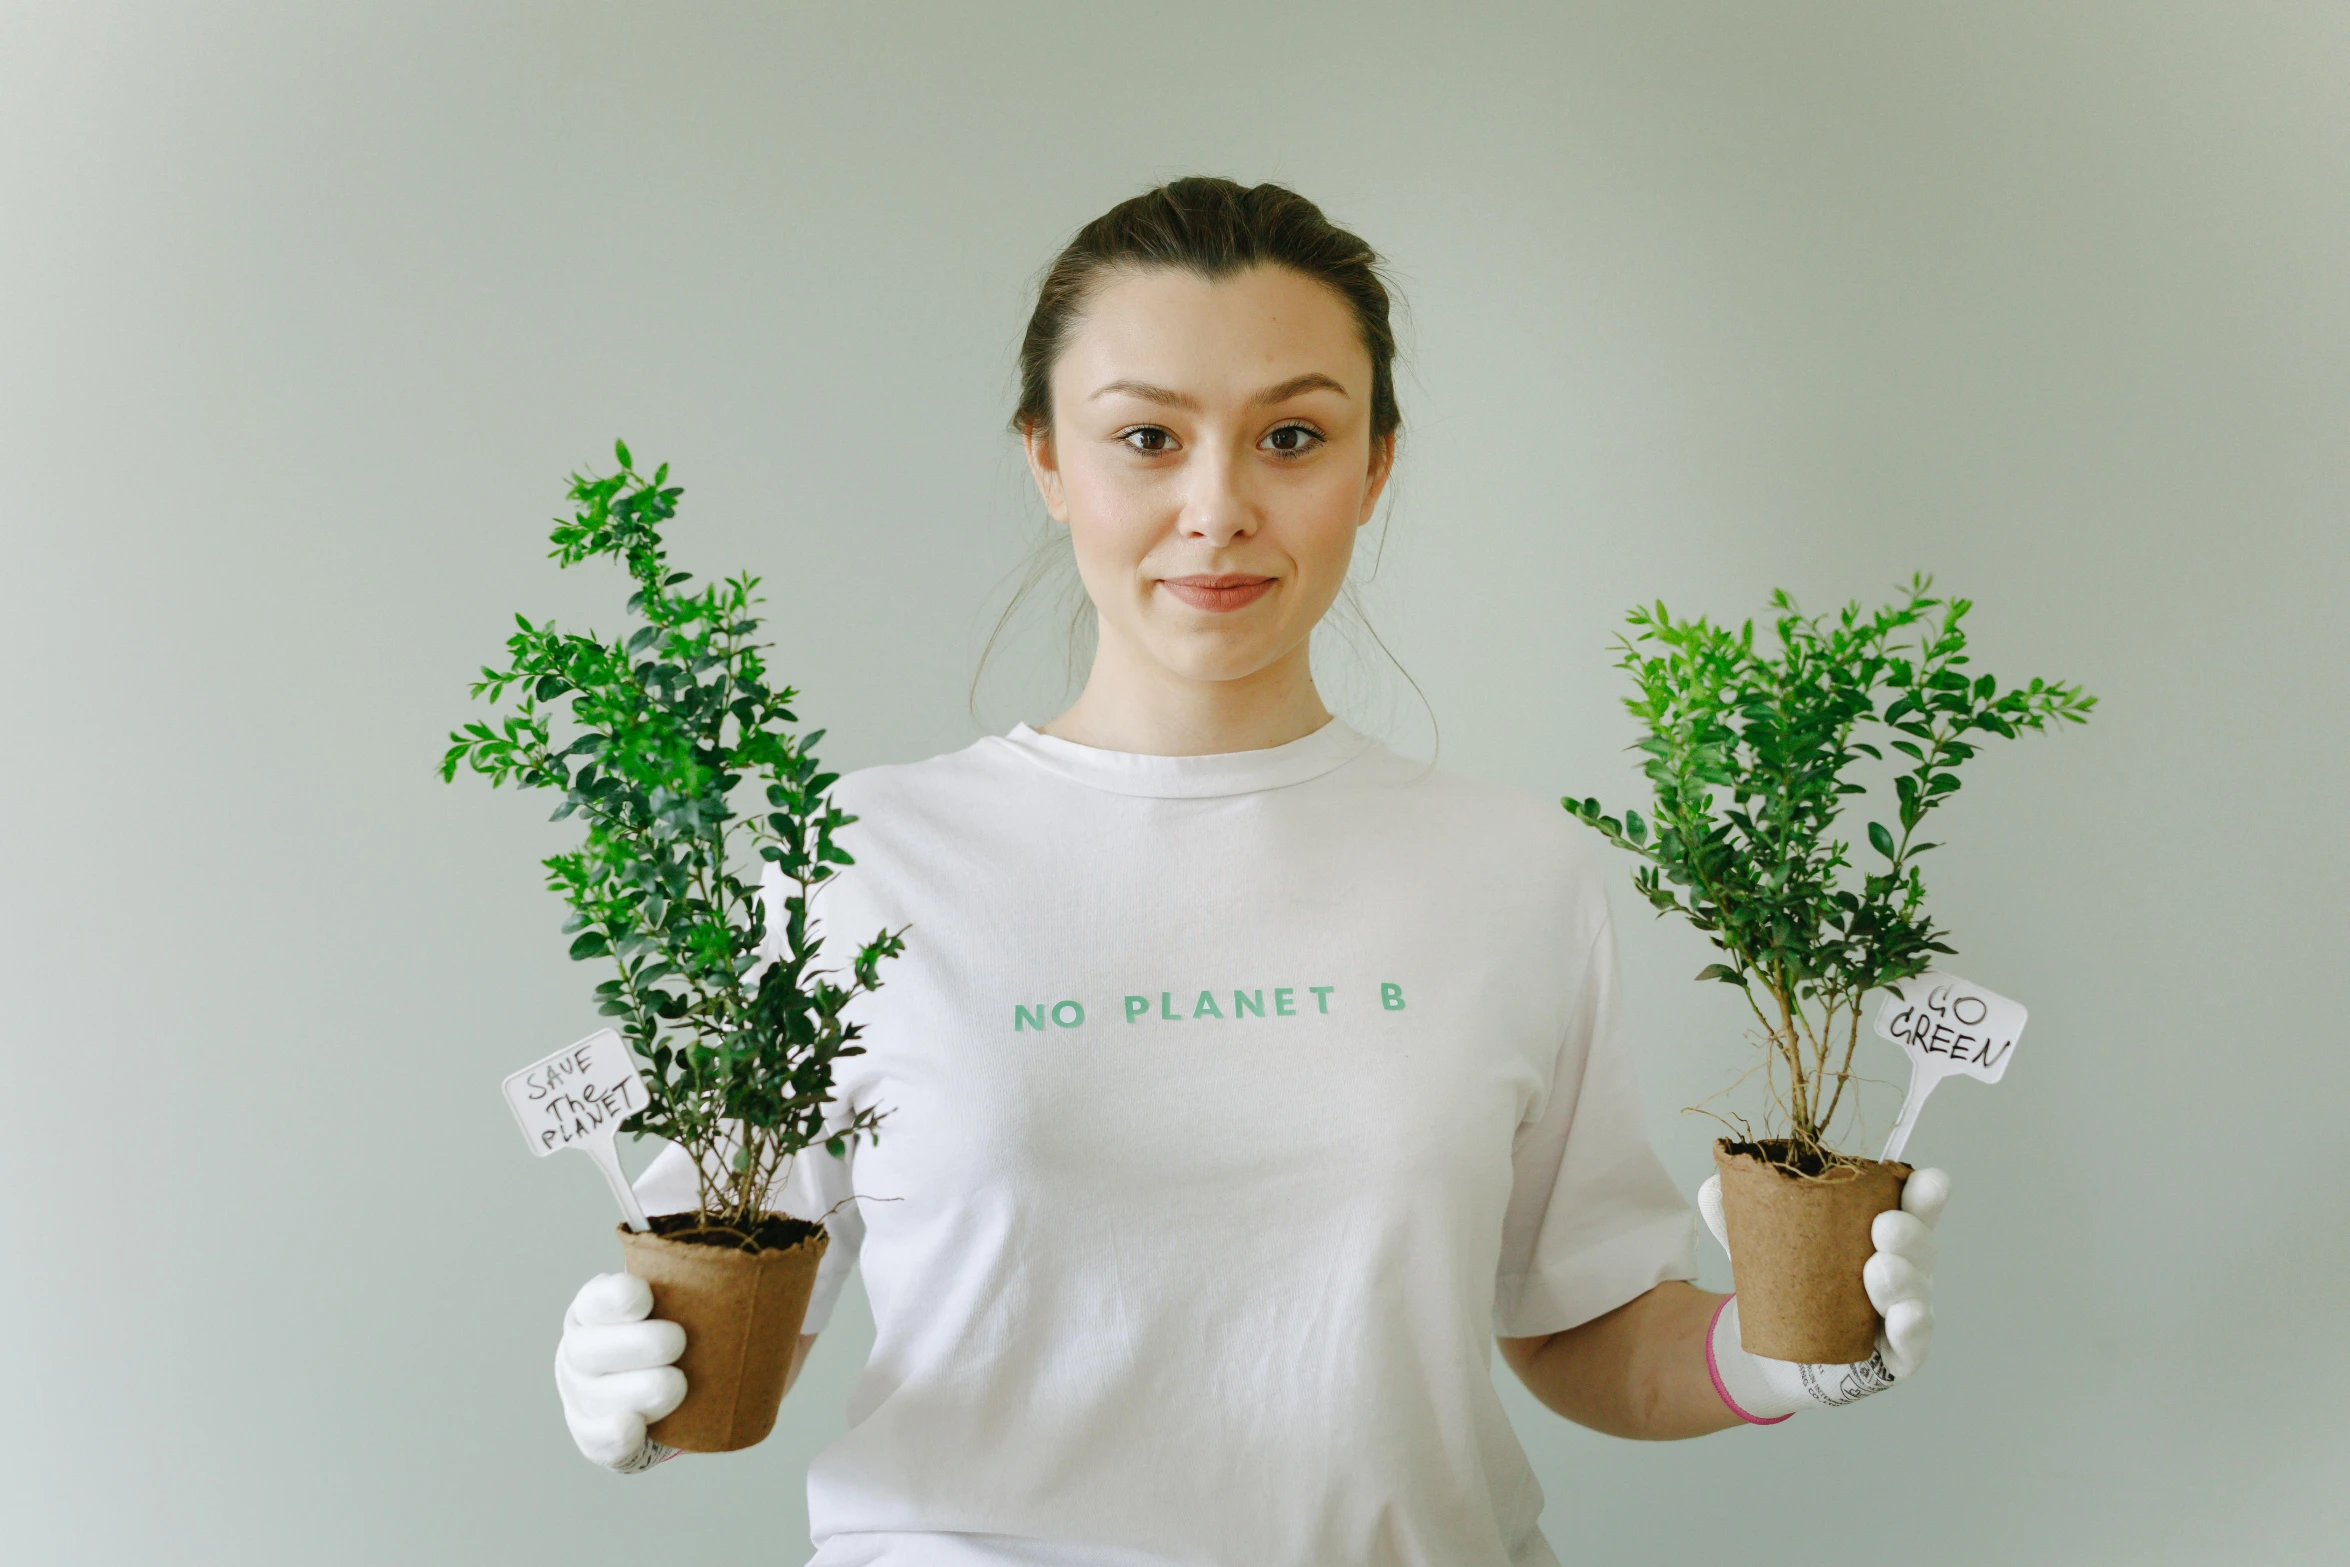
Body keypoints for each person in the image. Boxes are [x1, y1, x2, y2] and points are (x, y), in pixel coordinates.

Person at [550, 177, 1948, 1566]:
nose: (1215, 507)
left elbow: (1574, 1325)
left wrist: (1772, 1356)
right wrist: (635, 1377)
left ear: (1374, 464)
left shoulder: (1513, 873)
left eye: (1290, 436)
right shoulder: (857, 860)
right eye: (1145, 437)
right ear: (1045, 457)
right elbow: (738, 1308)